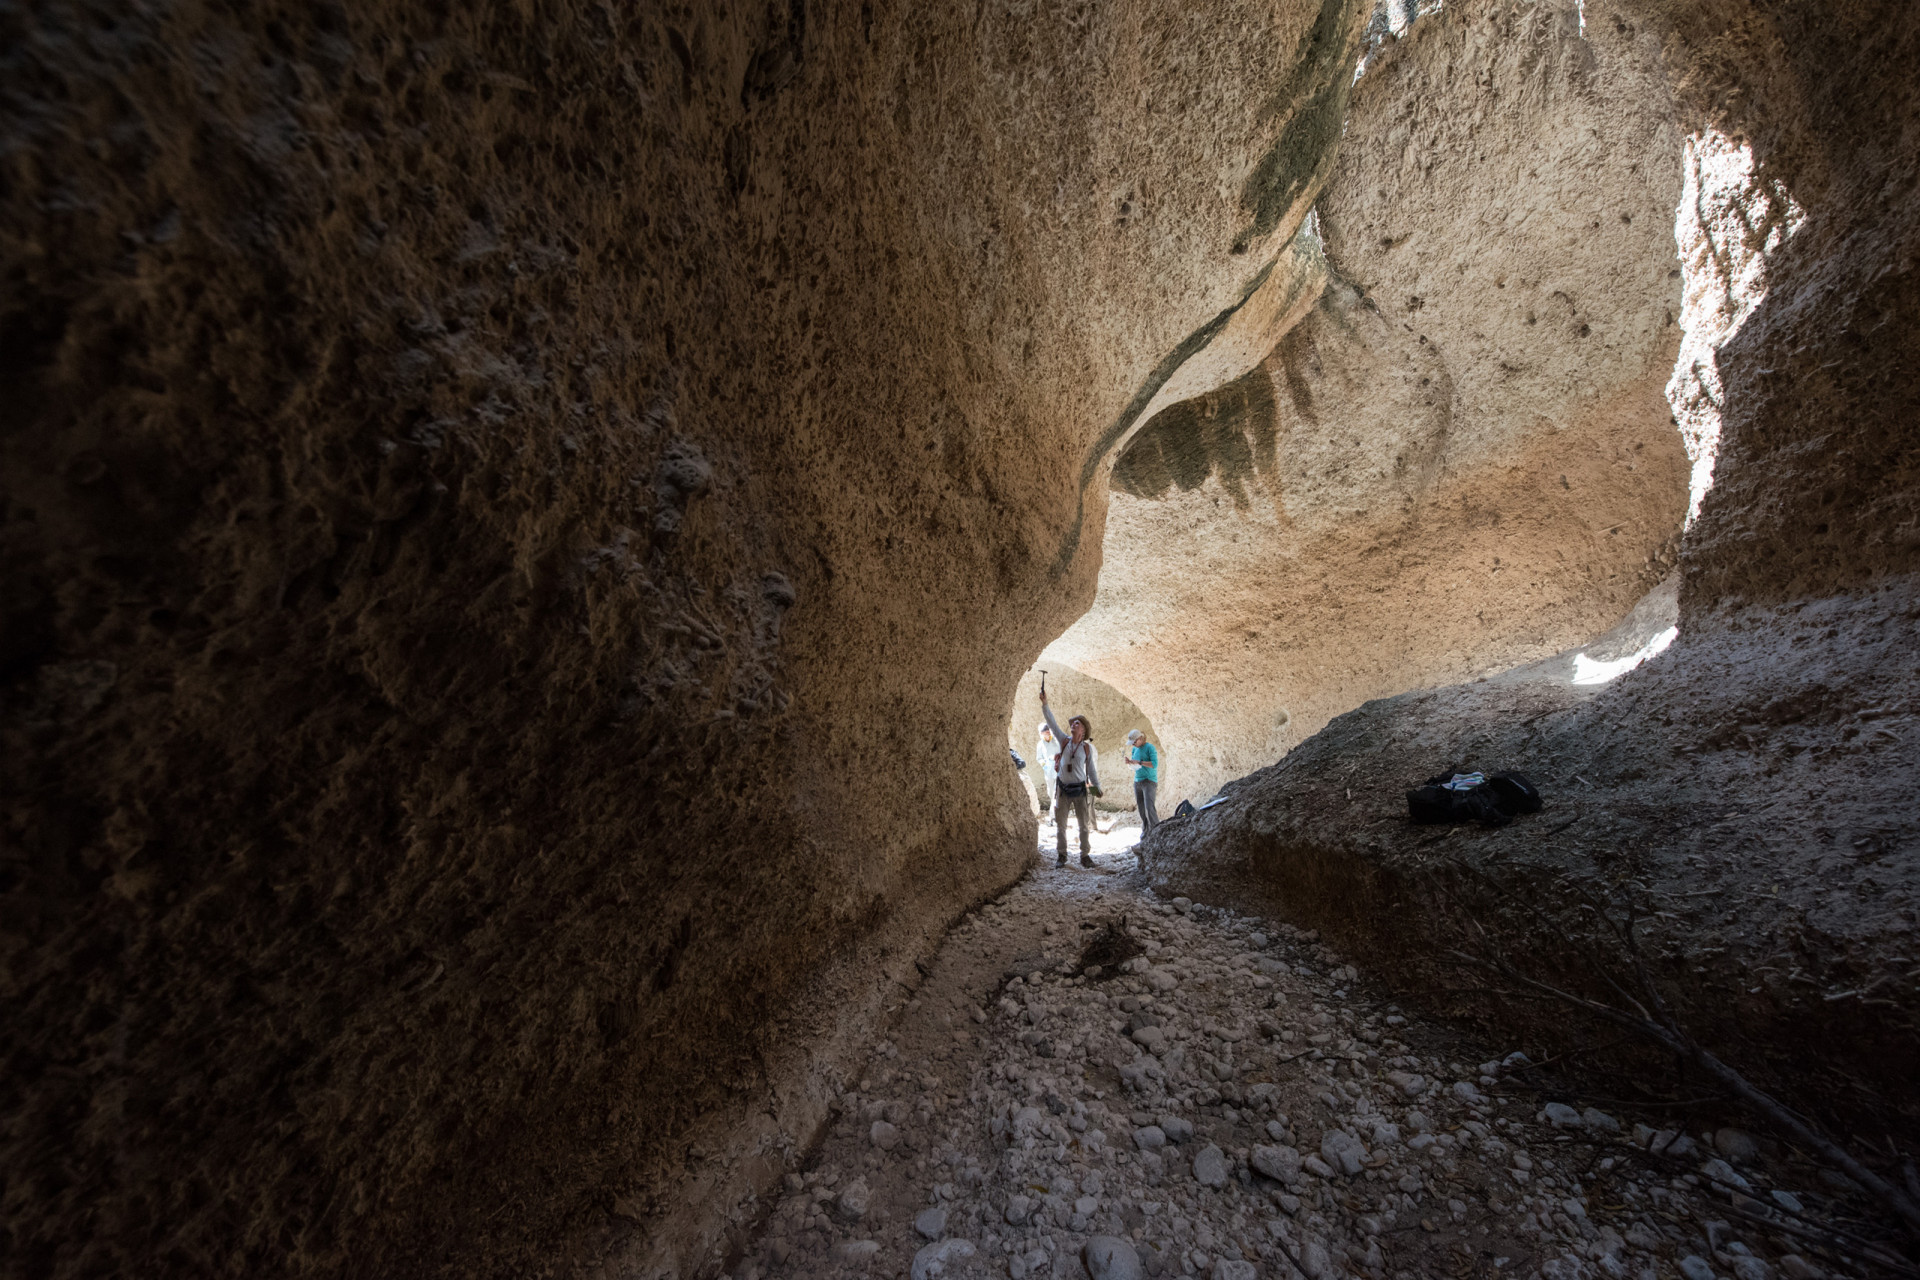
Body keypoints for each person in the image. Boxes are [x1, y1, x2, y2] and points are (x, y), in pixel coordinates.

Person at [1039, 688, 1100, 868]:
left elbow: (1091, 770)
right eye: (1072, 723)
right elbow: (1051, 722)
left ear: (1083, 730)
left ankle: (1085, 855)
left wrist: (1097, 788)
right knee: (1061, 826)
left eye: (1077, 723)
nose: (1073, 725)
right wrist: (1045, 704)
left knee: (1083, 826)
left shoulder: (1086, 748)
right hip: (1063, 790)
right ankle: (1062, 855)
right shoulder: (1064, 740)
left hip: (1080, 790)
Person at [1126, 729, 1160, 836]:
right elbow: (1135, 765)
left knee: (1149, 808)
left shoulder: (1150, 747)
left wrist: (1140, 762)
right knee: (1141, 809)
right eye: (1131, 743)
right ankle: (1145, 832)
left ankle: (1156, 832)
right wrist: (1130, 763)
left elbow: (1154, 764)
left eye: (1134, 742)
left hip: (1149, 781)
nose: (1133, 745)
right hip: (1137, 781)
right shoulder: (1134, 750)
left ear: (1140, 738)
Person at [1034, 721, 1058, 818]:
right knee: (1051, 792)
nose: (1047, 732)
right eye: (1044, 731)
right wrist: (1045, 764)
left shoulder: (1056, 741)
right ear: (1041, 733)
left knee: (1057, 792)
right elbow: (1039, 758)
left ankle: (1054, 816)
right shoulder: (1040, 744)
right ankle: (1054, 811)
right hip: (1048, 771)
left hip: (1058, 769)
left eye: (1048, 730)